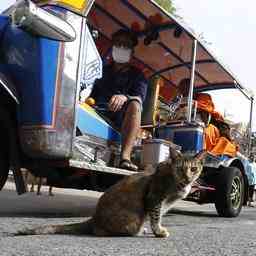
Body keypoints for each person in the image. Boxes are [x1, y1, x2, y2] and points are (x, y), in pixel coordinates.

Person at [90, 29, 148, 171]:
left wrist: (124, 97)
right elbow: (91, 94)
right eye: (118, 44)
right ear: (112, 47)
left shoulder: (138, 76)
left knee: (134, 105)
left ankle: (125, 157)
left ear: (131, 52)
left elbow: (139, 99)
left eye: (126, 45)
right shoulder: (101, 71)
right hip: (97, 113)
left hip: (122, 119)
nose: (121, 48)